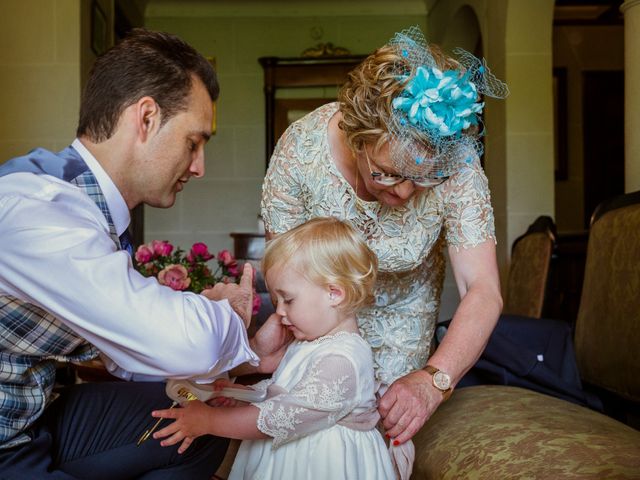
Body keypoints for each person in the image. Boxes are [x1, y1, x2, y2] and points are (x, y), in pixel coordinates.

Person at [0, 29, 272, 479]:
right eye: (193, 142)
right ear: (146, 118)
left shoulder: (90, 208)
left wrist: (243, 352)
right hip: (7, 441)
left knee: (199, 419)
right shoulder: (36, 209)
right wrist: (225, 313)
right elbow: (188, 343)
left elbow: (126, 355)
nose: (200, 167)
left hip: (37, 419)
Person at [260, 25, 508, 474]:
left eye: (425, 178)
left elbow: (483, 289)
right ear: (357, 139)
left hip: (403, 336)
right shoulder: (302, 151)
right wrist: (259, 351)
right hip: (317, 336)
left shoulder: (458, 162)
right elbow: (286, 278)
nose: (407, 193)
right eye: (388, 173)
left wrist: (433, 381)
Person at [152, 217, 397, 480]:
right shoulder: (309, 341)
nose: (279, 312)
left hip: (320, 464)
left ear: (334, 294)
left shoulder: (344, 358)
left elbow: (284, 415)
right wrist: (245, 395)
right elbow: (287, 390)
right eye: (277, 300)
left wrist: (210, 421)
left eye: (288, 300)